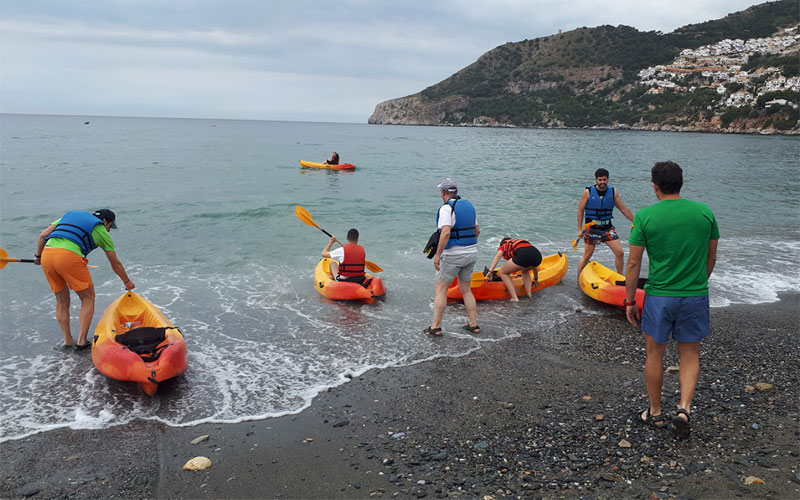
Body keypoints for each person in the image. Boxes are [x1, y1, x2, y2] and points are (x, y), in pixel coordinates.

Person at [624, 161, 719, 439]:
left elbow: (632, 264)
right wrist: (698, 282)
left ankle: (654, 413)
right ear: (682, 183)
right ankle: (683, 409)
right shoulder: (705, 213)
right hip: (694, 293)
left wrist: (629, 301)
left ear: (655, 186)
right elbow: (710, 257)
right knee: (689, 353)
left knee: (655, 353)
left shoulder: (644, 217)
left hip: (659, 297)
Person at [33, 209, 135, 350]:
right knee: (88, 298)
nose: (109, 230)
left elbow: (43, 235)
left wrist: (38, 257)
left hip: (47, 255)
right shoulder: (100, 229)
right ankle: (81, 341)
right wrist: (127, 281)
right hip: (69, 257)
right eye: (110, 226)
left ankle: (67, 340)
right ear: (105, 221)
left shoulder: (70, 215)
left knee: (61, 300)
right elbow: (115, 263)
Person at [424, 178, 480, 336]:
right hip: (471, 252)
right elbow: (477, 231)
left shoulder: (446, 209)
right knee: (466, 290)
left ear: (443, 192)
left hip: (453, 254)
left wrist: (437, 255)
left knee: (440, 289)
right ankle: (473, 324)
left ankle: (435, 327)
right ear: (456, 192)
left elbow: (446, 232)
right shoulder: (469, 206)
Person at [577, 168, 635, 276]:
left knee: (620, 253)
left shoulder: (613, 192)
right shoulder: (588, 192)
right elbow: (580, 210)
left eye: (604, 179)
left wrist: (635, 221)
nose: (602, 182)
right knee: (587, 255)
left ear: (608, 179)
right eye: (600, 180)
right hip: (592, 229)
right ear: (596, 179)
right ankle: (579, 279)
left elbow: (623, 209)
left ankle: (620, 277)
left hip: (607, 228)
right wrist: (580, 229)